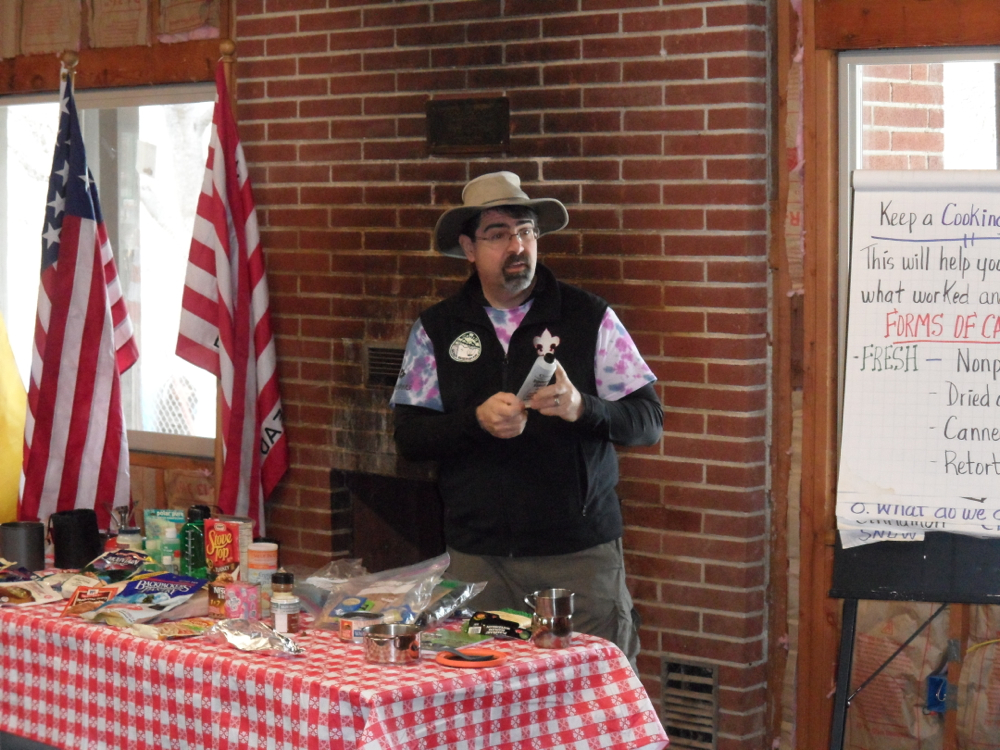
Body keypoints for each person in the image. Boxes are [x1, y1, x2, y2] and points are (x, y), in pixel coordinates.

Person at [391, 171, 663, 665]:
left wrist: (583, 408)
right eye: (498, 234)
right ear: (469, 249)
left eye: (526, 231)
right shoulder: (437, 328)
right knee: (481, 699)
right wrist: (475, 421)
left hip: (576, 559)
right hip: (478, 560)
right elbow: (409, 438)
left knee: (587, 697)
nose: (517, 246)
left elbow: (647, 421)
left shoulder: (589, 317)